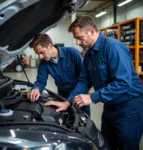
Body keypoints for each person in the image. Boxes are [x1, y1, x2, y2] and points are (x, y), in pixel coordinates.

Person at [45, 15, 143, 150]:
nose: (78, 43)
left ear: (91, 31)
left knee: (127, 147)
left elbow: (123, 83)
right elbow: (84, 81)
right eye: (76, 39)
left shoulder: (113, 47)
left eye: (80, 38)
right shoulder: (89, 55)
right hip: (109, 108)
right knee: (106, 145)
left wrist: (92, 97)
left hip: (128, 108)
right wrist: (67, 102)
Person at [27, 33, 90, 116]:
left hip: (79, 94)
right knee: (65, 118)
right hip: (62, 95)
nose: (40, 57)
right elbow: (41, 81)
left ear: (50, 45)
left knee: (83, 119)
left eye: (42, 52)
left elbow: (85, 78)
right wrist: (36, 88)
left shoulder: (72, 53)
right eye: (38, 54)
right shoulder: (43, 63)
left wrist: (84, 92)